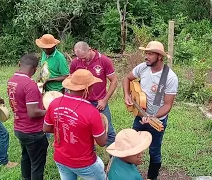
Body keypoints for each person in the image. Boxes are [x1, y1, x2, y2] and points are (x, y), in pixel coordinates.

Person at [123, 41, 179, 180]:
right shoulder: (143, 67)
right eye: (145, 53)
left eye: (149, 54)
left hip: (157, 120)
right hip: (139, 114)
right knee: (133, 145)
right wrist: (127, 95)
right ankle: (131, 174)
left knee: (154, 151)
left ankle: (151, 177)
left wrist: (152, 116)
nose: (146, 56)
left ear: (160, 56)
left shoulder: (170, 77)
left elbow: (167, 106)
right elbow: (127, 78)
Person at [43, 69, 107, 180]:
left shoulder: (54, 103)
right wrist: (105, 127)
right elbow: (101, 142)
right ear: (87, 88)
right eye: (92, 85)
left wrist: (66, 128)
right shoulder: (92, 112)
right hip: (84, 163)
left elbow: (46, 128)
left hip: (60, 159)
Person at [7, 54, 48, 180]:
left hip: (19, 128)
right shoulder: (29, 84)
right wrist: (49, 110)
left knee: (26, 157)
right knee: (37, 165)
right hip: (33, 131)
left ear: (20, 64)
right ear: (35, 69)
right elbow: (33, 112)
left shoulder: (11, 80)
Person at [70, 41, 117, 146]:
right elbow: (71, 82)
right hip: (81, 103)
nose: (82, 60)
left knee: (108, 131)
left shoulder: (103, 60)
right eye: (79, 58)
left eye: (83, 57)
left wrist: (104, 100)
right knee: (85, 131)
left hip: (99, 103)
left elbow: (114, 81)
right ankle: (90, 155)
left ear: (90, 49)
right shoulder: (75, 62)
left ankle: (115, 159)